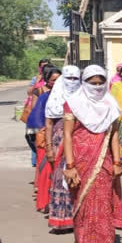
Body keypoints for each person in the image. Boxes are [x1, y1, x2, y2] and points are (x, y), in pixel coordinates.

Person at [62, 65, 122, 243]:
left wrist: (117, 161)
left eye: (100, 83)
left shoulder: (110, 104)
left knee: (103, 208)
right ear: (84, 83)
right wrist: (70, 166)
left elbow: (113, 134)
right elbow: (68, 135)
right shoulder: (73, 104)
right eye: (92, 83)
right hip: (81, 163)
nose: (96, 87)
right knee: (85, 209)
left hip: (104, 163)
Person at [44, 65, 81, 231]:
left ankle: (79, 215)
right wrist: (49, 148)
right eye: (69, 78)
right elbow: (49, 123)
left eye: (75, 79)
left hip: (79, 141)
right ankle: (62, 219)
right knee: (60, 177)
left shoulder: (84, 97)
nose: (72, 82)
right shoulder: (55, 98)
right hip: (59, 141)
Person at [27, 66, 60, 212]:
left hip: (64, 140)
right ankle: (45, 202)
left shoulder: (69, 96)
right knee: (46, 170)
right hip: (46, 138)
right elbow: (36, 118)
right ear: (47, 80)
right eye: (54, 80)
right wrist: (47, 138)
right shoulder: (44, 97)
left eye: (60, 79)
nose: (57, 82)